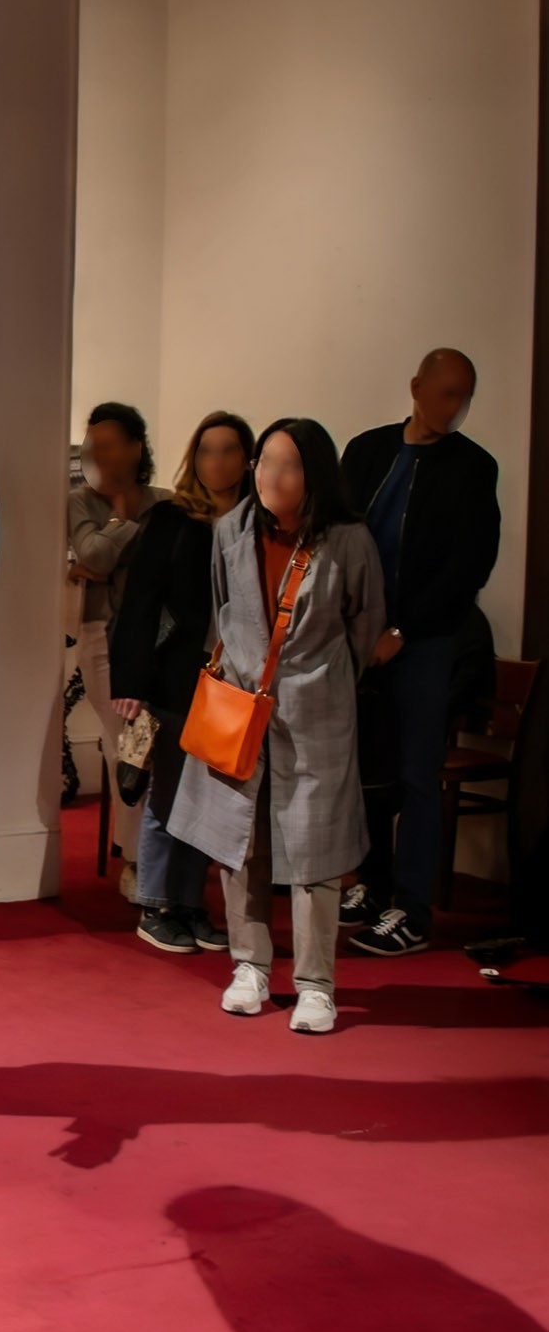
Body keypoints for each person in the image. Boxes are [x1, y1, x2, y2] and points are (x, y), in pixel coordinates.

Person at [170, 420, 385, 1036]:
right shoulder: (230, 529)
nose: (270, 475)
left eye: (287, 464)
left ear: (314, 474)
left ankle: (316, 984)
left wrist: (323, 680)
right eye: (264, 461)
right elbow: (224, 612)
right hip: (241, 706)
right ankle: (250, 967)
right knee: (241, 841)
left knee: (317, 850)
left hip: (317, 713)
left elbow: (366, 624)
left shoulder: (348, 539)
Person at [340, 348, 501, 956]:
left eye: (464, 396)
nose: (453, 407)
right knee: (368, 769)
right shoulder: (368, 451)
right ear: (416, 387)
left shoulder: (473, 467)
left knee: (416, 774)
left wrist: (402, 630)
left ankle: (412, 909)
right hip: (359, 639)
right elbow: (339, 537)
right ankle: (373, 887)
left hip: (426, 642)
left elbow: (470, 565)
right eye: (445, 392)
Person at [108, 412, 254, 954]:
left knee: (210, 798)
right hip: (175, 675)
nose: (217, 461)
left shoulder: (256, 521)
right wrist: (131, 680)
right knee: (168, 793)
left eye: (229, 450)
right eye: (207, 450)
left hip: (233, 681)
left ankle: (191, 904)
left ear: (247, 459)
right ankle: (156, 903)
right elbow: (140, 603)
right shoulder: (172, 518)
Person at [69, 402, 170, 900]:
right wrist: (124, 521)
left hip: (160, 641)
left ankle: (152, 855)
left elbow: (165, 570)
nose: (100, 455)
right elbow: (91, 555)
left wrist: (105, 557)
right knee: (130, 748)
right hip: (103, 638)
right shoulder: (80, 502)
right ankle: (137, 862)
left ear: (136, 447)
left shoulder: (166, 503)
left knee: (158, 748)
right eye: (94, 446)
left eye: (110, 444)